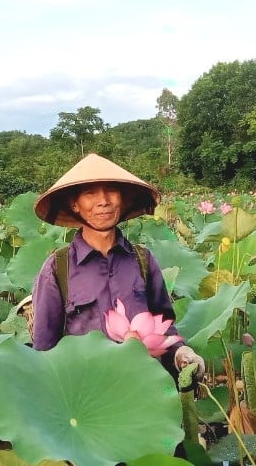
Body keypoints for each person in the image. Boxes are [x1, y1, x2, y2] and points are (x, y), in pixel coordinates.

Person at [31, 153, 205, 380]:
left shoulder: (143, 260)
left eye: (111, 191)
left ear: (123, 199)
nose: (103, 201)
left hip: (142, 384)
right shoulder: (57, 268)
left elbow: (163, 326)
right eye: (89, 193)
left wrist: (181, 352)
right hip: (85, 392)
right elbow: (44, 348)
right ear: (75, 205)